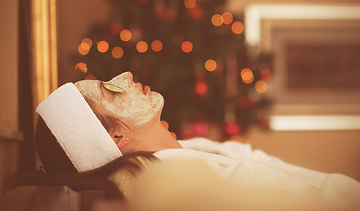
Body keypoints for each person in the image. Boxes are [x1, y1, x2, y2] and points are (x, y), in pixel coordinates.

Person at [18, 71, 360, 209]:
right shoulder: (191, 182)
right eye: (111, 89)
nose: (126, 76)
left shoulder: (192, 150)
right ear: (116, 135)